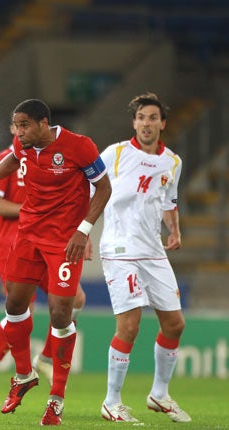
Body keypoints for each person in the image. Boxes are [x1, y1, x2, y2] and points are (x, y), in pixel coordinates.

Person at [0, 99, 111, 425]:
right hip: (27, 237)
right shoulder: (23, 146)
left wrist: (83, 231)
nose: (18, 132)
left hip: (63, 243)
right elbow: (10, 160)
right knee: (14, 305)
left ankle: (56, 400)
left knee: (62, 313)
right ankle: (23, 375)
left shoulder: (78, 146)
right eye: (16, 126)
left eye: (24, 126)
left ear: (43, 123)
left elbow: (103, 187)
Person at [98, 92, 191, 423]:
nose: (146, 123)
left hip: (153, 251)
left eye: (153, 117)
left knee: (175, 323)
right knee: (130, 325)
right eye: (141, 118)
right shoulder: (115, 154)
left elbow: (169, 201)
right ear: (133, 123)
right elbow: (87, 185)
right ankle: (111, 401)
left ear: (162, 123)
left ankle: (159, 394)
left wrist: (175, 231)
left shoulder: (173, 162)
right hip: (120, 249)